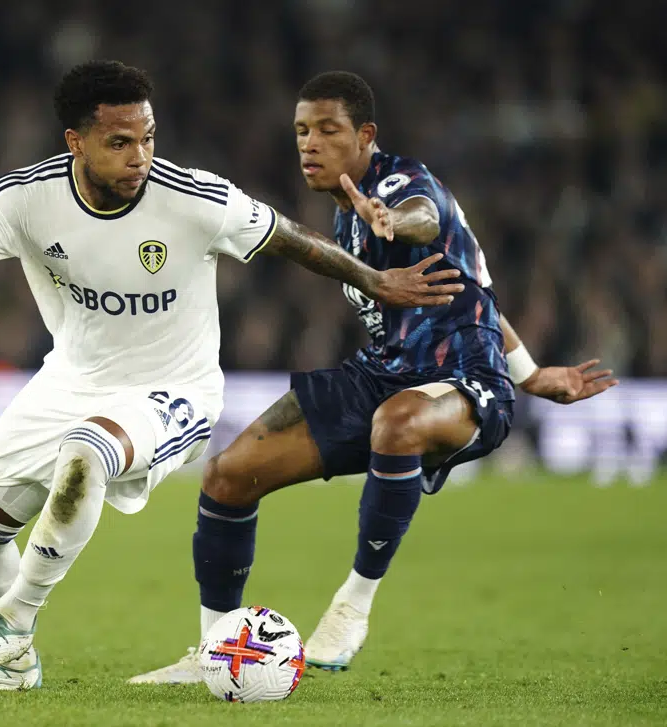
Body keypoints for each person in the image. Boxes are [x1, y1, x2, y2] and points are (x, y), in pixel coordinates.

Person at [0, 61, 461, 690]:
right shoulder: (21, 200)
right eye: (119, 142)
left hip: (174, 388)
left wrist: (374, 276)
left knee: (88, 453)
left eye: (147, 138)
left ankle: (11, 620)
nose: (139, 155)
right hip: (71, 379)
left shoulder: (192, 198)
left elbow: (293, 239)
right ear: (75, 141)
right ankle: (16, 663)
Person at [129, 71, 618, 684]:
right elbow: (479, 288)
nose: (311, 143)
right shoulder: (344, 222)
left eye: (329, 130)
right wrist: (536, 372)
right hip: (383, 372)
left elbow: (420, 217)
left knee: (401, 421)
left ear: (365, 136)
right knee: (229, 475)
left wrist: (391, 218)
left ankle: (352, 607)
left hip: (465, 380)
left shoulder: (402, 184)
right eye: (302, 131)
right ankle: (212, 654)